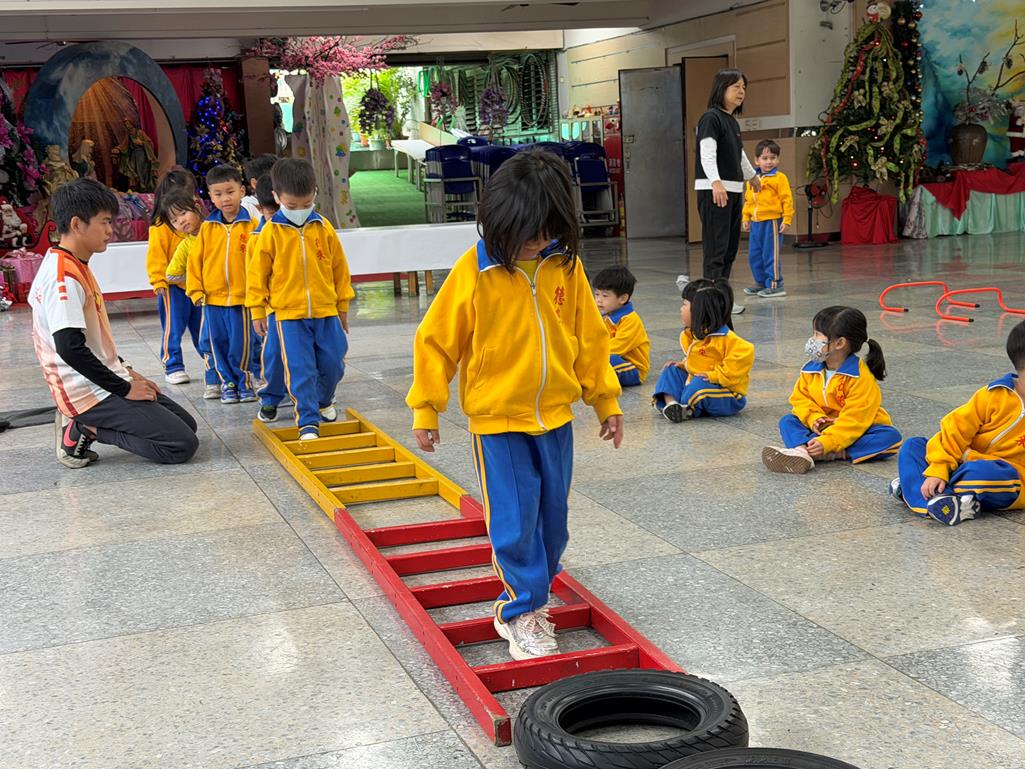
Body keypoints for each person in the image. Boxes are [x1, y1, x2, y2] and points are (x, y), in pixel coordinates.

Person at [406, 149, 624, 661]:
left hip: (555, 417)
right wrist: (426, 407)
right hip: (498, 421)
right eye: (525, 233)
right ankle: (519, 610)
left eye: (545, 232)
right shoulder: (476, 269)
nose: (534, 242)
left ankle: (536, 590)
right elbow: (436, 340)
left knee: (553, 518)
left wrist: (605, 400)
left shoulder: (564, 266)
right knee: (515, 519)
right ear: (498, 218)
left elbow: (589, 337)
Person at [28, 178, 199, 468]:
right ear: (77, 224)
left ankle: (97, 418)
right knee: (180, 444)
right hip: (85, 391)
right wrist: (124, 388)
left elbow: (92, 340)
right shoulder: (62, 277)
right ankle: (86, 427)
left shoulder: (75, 262)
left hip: (105, 378)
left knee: (186, 425)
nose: (110, 231)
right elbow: (69, 348)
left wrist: (127, 371)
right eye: (105, 222)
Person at [247, 158, 353, 438]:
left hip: (326, 311)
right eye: (291, 205)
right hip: (288, 315)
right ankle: (307, 420)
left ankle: (324, 400)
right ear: (277, 197)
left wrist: (342, 306)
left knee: (334, 362)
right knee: (300, 369)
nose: (299, 210)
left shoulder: (323, 227)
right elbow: (256, 275)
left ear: (314, 194)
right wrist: (257, 309)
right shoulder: (270, 232)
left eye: (306, 204)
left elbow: (339, 269)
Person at [890, 321, 1025, 526]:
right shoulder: (993, 394)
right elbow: (954, 430)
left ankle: (919, 489)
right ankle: (945, 502)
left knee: (982, 476)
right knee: (913, 446)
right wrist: (939, 467)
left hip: (1005, 476)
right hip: (960, 461)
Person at [762, 306, 901, 475]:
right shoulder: (810, 369)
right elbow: (800, 399)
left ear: (840, 343)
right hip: (820, 427)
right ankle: (804, 452)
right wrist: (814, 418)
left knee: (890, 437)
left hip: (854, 429)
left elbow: (855, 420)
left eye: (817, 335)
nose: (812, 340)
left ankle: (819, 451)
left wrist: (828, 442)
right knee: (788, 421)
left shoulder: (860, 377)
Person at [186, 164, 259, 404]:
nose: (225, 199)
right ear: (210, 196)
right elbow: (195, 262)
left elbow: (260, 263)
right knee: (216, 343)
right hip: (212, 300)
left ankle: (244, 382)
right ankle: (227, 382)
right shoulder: (207, 228)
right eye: (218, 194)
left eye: (230, 192)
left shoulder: (253, 226)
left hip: (243, 300)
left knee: (242, 345)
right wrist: (196, 291)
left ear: (242, 191)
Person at [694, 68, 760, 315]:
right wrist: (715, 182)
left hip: (732, 190)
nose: (741, 92)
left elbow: (738, 153)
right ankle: (711, 302)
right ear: (721, 89)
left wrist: (751, 175)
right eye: (736, 87)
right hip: (715, 191)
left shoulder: (731, 121)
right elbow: (707, 152)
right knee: (716, 249)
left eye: (744, 87)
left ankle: (721, 299)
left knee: (729, 249)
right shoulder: (710, 118)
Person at [652, 279, 753, 422]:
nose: (681, 309)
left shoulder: (731, 341)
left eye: (684, 304)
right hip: (695, 384)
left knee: (699, 384)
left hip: (726, 394)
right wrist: (684, 365)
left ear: (700, 310)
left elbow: (734, 371)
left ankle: (685, 408)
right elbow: (699, 362)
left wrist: (713, 376)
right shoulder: (694, 335)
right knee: (671, 370)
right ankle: (672, 404)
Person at [161, 189, 220, 398]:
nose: (181, 221)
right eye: (174, 221)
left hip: (232, 298)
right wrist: (194, 279)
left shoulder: (217, 231)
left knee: (237, 340)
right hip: (207, 301)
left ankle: (243, 379)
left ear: (197, 206)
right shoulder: (186, 245)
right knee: (209, 340)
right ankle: (213, 381)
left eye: (183, 214)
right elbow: (171, 274)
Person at [147, 168, 201, 386]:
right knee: (173, 327)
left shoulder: (200, 224)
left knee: (202, 327)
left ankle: (212, 361)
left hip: (197, 286)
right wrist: (158, 280)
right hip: (172, 287)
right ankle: (173, 365)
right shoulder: (161, 226)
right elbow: (156, 256)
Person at [247, 174, 289, 422]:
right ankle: (271, 398)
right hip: (273, 310)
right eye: (271, 213)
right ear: (260, 209)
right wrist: (257, 311)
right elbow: (254, 279)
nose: (277, 218)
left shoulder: (298, 230)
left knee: (311, 354)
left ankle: (316, 396)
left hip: (303, 307)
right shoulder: (256, 238)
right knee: (272, 354)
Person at [741, 139, 793, 299]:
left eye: (773, 158)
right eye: (765, 158)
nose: (769, 162)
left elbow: (787, 200)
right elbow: (748, 200)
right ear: (756, 160)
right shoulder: (752, 179)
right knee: (755, 255)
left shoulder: (779, 178)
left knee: (770, 255)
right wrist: (746, 217)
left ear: (778, 159)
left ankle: (775, 284)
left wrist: (787, 220)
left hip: (772, 222)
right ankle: (761, 282)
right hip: (756, 223)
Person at [592, 265, 650, 387]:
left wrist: (592, 353)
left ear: (622, 298)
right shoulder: (607, 317)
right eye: (597, 294)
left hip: (633, 369)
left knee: (607, 359)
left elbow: (617, 347)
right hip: (613, 357)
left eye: (605, 296)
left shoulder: (631, 320)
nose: (599, 300)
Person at [242, 154, 278, 222]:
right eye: (271, 180)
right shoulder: (245, 208)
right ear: (254, 184)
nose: (278, 184)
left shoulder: (285, 200)